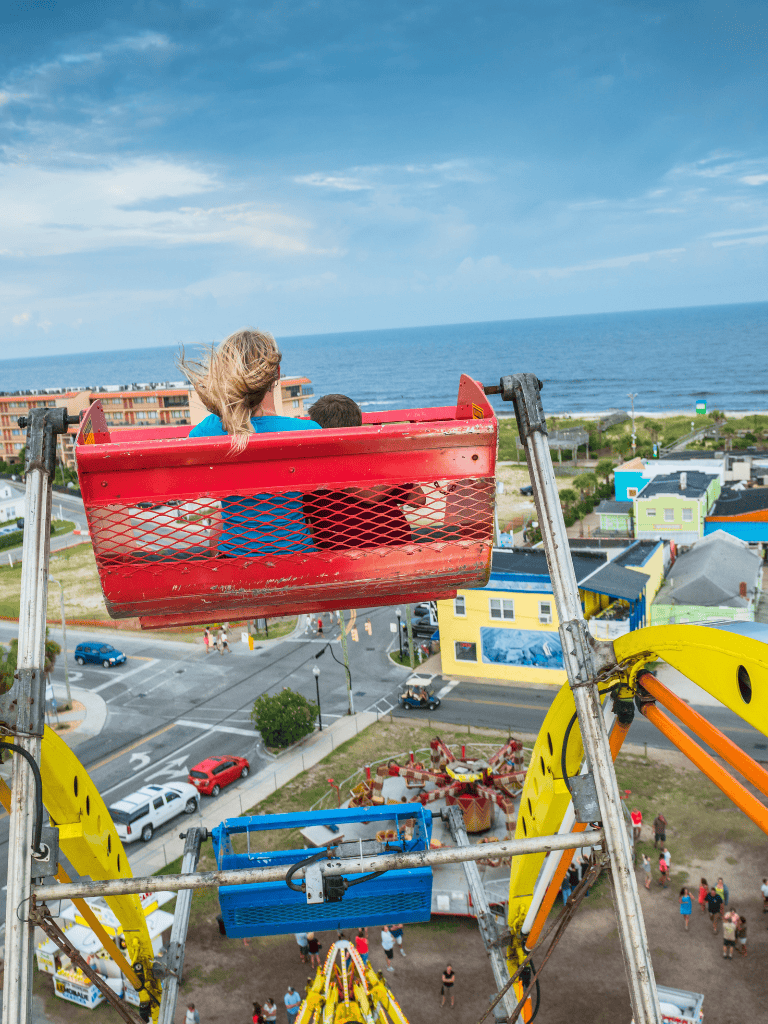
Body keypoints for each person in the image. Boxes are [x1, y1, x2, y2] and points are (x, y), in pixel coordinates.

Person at [184, 329, 320, 555]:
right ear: (277, 373)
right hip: (298, 557)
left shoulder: (205, 432)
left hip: (235, 558)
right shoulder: (309, 432)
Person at [304, 394, 426, 549]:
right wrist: (395, 468)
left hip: (340, 552)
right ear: (358, 426)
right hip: (396, 546)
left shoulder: (310, 465)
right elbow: (418, 499)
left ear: (316, 428)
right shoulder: (374, 464)